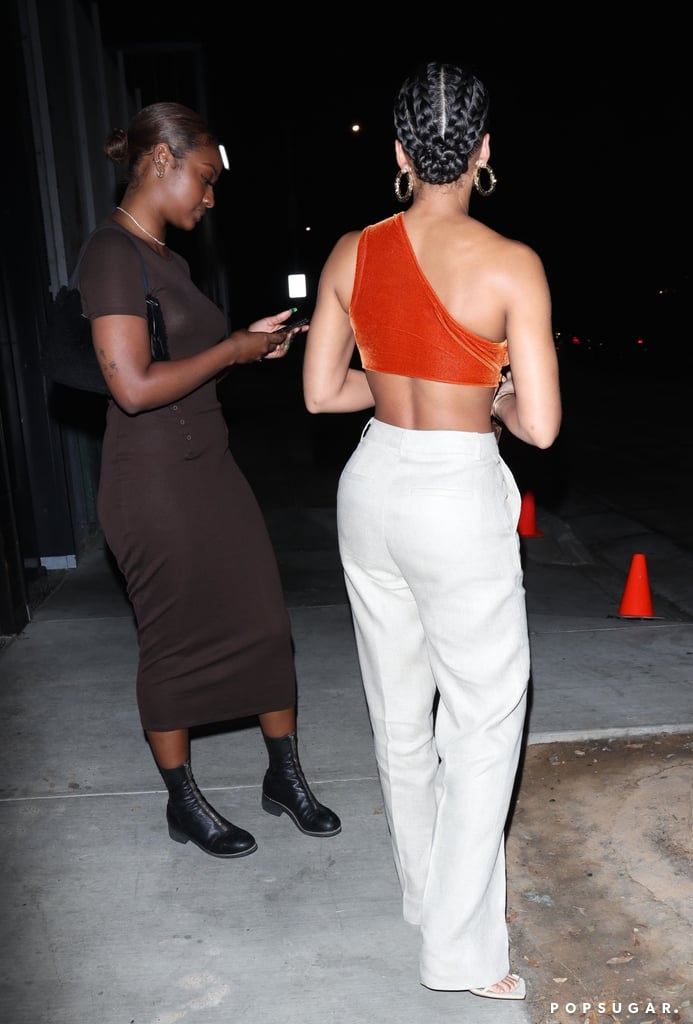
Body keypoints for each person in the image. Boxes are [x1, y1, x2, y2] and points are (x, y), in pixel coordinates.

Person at [302, 61, 561, 999]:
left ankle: (424, 897)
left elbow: (324, 391)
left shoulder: (349, 254)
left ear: (403, 152)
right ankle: (458, 951)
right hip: (454, 495)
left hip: (371, 484)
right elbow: (537, 425)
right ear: (484, 151)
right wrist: (477, 398)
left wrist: (412, 388)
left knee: (399, 712)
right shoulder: (509, 264)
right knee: (485, 720)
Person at [78, 101, 341, 859]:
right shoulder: (110, 255)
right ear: (161, 161)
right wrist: (229, 351)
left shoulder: (170, 261)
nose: (210, 196)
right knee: (171, 640)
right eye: (204, 178)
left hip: (209, 467)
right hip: (151, 479)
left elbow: (185, 356)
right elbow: (130, 385)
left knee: (262, 618)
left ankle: (283, 776)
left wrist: (247, 346)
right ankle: (183, 801)